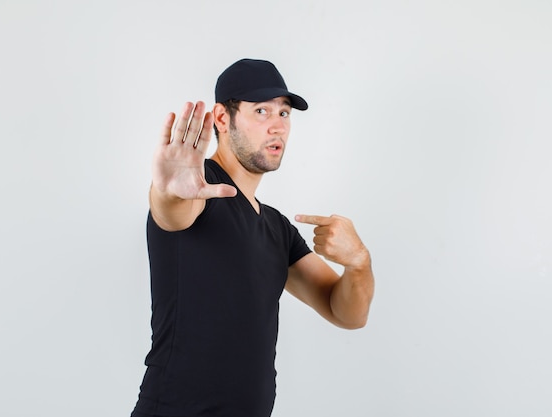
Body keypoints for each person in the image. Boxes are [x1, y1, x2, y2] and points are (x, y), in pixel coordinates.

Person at [131, 58, 375, 417]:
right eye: (262, 111)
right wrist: (168, 192)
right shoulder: (201, 190)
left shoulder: (277, 228)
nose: (277, 126)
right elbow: (171, 211)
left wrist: (359, 263)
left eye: (285, 113)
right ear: (221, 118)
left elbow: (346, 313)